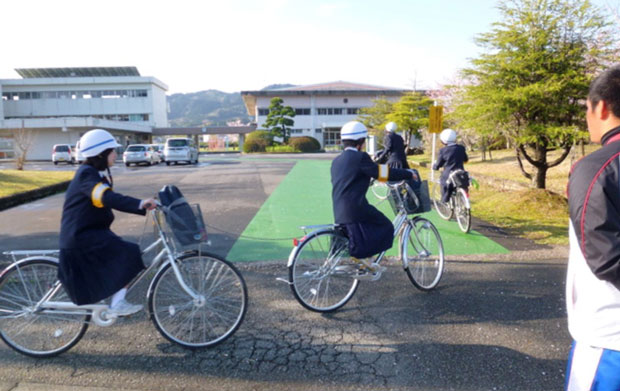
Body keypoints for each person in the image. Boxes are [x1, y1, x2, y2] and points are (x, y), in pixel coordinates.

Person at [58, 129, 156, 316]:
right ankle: (117, 304)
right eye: (112, 151)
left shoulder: (91, 173)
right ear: (101, 153)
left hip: (90, 233)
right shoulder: (87, 175)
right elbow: (107, 198)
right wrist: (140, 204)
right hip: (81, 237)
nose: (116, 155)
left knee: (125, 253)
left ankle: (116, 300)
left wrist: (143, 204)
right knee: (129, 253)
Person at [565, 64, 620, 391]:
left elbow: (606, 259)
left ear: (601, 107)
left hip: (609, 338)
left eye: (586, 108)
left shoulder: (596, 168)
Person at [331, 121, 416, 271]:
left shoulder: (337, 161)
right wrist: (408, 173)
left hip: (339, 210)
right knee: (386, 226)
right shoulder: (360, 157)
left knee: (368, 227)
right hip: (356, 209)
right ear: (361, 141)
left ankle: (365, 259)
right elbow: (382, 173)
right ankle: (364, 257)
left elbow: (350, 179)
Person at [432, 128, 468, 203]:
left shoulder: (443, 151)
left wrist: (435, 166)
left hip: (449, 175)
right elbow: (465, 159)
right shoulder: (461, 148)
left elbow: (438, 164)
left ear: (443, 140)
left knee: (443, 182)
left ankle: (445, 200)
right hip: (460, 173)